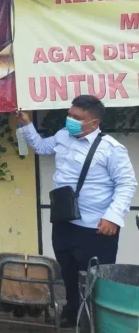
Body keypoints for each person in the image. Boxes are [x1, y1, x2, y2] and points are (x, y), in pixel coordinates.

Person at [18, 95, 137, 328]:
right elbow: (42, 147)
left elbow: (126, 184)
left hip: (96, 227)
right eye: (69, 114)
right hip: (63, 220)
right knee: (69, 271)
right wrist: (26, 123)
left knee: (95, 278)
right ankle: (72, 312)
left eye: (77, 117)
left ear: (93, 123)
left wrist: (113, 217)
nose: (70, 120)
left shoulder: (111, 149)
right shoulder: (64, 135)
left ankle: (97, 320)